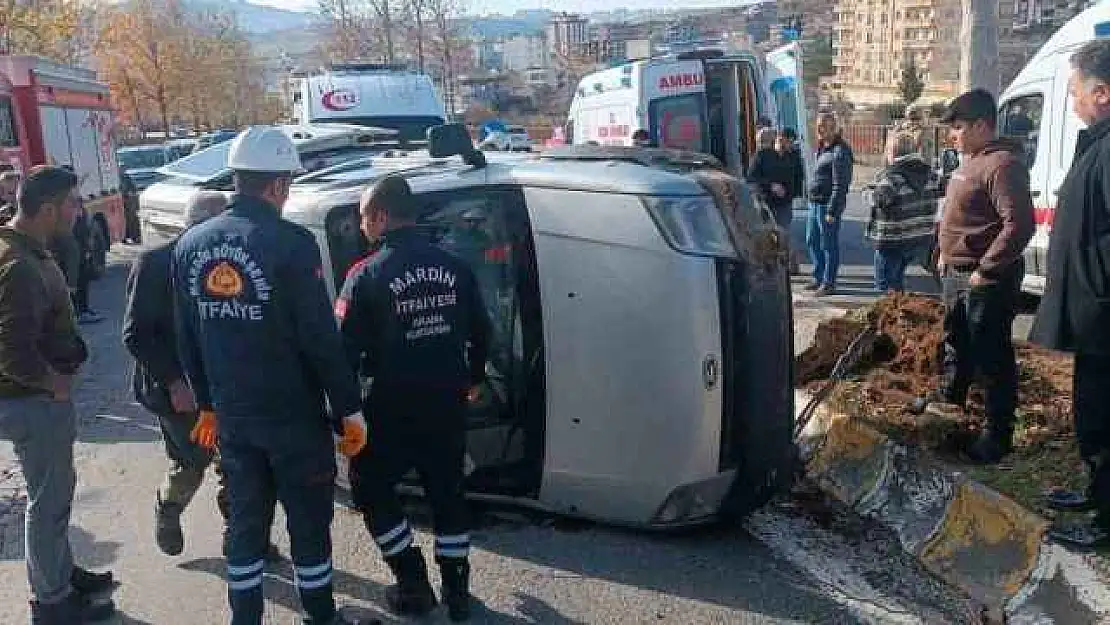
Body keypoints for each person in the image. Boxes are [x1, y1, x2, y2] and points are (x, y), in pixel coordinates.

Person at [171, 127, 366, 625]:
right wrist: (348, 407)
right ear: (278, 186)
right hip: (292, 416)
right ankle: (320, 615)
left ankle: (245, 618)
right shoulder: (291, 244)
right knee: (307, 523)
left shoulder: (191, 244)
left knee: (246, 521)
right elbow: (320, 338)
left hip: (233, 417)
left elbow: (187, 335)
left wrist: (208, 403)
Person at [337, 175, 490, 622]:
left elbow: (342, 352)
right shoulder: (456, 268)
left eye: (364, 217)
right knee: (447, 491)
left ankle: (411, 579)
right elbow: (483, 331)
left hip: (392, 407)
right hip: (447, 401)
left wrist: (342, 413)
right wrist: (474, 377)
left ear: (381, 217)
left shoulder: (364, 276)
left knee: (368, 486)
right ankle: (457, 591)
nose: (363, 227)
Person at [123, 191, 279, 560]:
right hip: (174, 389)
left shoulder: (225, 264)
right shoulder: (155, 262)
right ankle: (169, 506)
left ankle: (241, 537)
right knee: (193, 461)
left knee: (238, 463)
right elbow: (136, 335)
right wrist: (175, 382)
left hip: (223, 385)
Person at [0, 166, 115, 624]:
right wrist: (53, 382)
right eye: (72, 203)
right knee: (48, 499)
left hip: (34, 397)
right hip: (32, 401)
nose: (79, 210)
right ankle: (52, 602)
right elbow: (11, 348)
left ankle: (60, 573)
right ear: (47, 210)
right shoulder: (19, 265)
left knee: (55, 491)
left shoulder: (23, 248)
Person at [913, 89, 1034, 465]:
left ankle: (997, 434)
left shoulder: (1002, 165)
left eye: (959, 127)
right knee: (956, 342)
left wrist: (987, 269)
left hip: (984, 279)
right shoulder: (969, 162)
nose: (953, 134)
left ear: (983, 125)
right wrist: (942, 256)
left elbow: (1019, 225)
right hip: (956, 272)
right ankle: (951, 399)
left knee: (991, 355)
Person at [1031, 40, 1110, 548]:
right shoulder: (1098, 142)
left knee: (1105, 421)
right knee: (1092, 413)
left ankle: (1106, 522)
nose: (1072, 102)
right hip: (1094, 320)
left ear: (1102, 93)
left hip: (1106, 318)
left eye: (1076, 92)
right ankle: (1097, 494)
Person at [864, 133, 937, 293]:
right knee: (897, 279)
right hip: (917, 237)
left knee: (884, 284)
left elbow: (879, 200)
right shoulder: (930, 174)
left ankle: (889, 311)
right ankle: (898, 304)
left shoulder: (891, 178)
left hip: (892, 240)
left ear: (891, 152)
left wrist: (868, 192)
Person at [805, 111, 854, 296]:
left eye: (823, 126)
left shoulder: (840, 151)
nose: (818, 129)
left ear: (833, 128)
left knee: (828, 245)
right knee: (812, 240)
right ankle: (818, 276)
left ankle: (828, 282)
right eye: (817, 125)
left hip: (827, 205)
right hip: (815, 202)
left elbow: (840, 184)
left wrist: (833, 210)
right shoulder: (822, 148)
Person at [120, 172, 141, 245]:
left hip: (128, 201)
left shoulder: (125, 177)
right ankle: (126, 237)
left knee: (132, 219)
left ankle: (135, 237)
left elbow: (133, 189)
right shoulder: (120, 177)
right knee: (127, 220)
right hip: (123, 201)